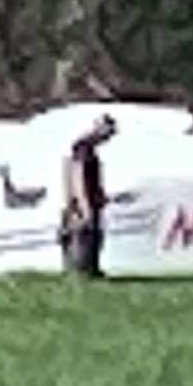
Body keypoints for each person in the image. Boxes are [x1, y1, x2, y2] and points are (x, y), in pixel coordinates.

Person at [59, 112, 115, 279]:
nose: (108, 138)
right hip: (84, 202)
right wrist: (85, 206)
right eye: (108, 133)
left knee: (91, 236)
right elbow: (79, 178)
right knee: (86, 235)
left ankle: (88, 268)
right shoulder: (84, 148)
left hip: (88, 200)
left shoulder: (83, 147)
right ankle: (83, 269)